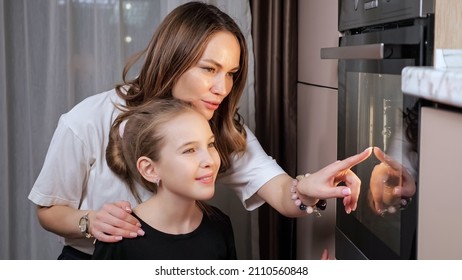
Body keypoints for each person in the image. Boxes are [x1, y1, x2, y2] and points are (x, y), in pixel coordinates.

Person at [28, 1, 371, 259]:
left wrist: (307, 187)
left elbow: (283, 194)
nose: (222, 88)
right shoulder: (87, 119)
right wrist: (90, 222)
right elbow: (48, 211)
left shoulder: (221, 124)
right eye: (210, 69)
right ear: (172, 60)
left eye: (232, 73)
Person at [92, 98, 236, 259]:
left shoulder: (220, 225)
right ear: (150, 169)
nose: (209, 161)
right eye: (189, 150)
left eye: (210, 144)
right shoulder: (119, 237)